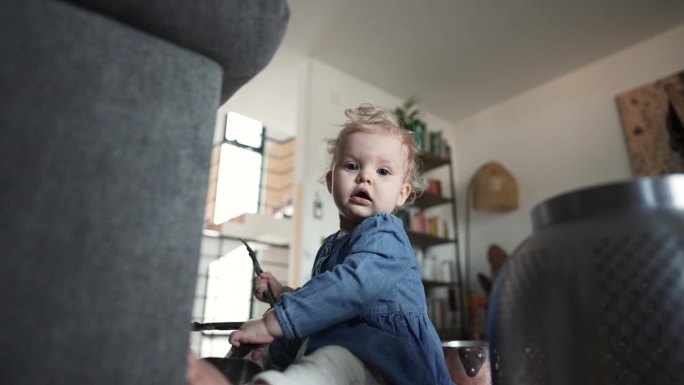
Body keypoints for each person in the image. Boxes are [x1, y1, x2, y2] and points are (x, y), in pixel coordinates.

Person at [189, 104, 454, 385]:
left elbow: (352, 285)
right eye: (352, 166)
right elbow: (326, 294)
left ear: (402, 194)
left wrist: (274, 322)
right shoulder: (332, 245)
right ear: (330, 181)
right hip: (348, 344)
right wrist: (284, 294)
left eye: (383, 171)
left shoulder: (385, 233)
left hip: (389, 356)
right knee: (279, 348)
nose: (365, 176)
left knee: (329, 361)